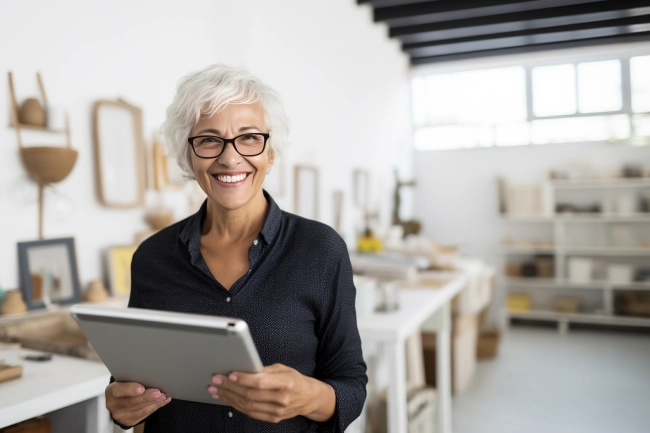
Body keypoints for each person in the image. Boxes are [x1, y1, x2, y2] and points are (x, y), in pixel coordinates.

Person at [104, 65, 367, 432]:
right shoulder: (152, 257)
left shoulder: (321, 250)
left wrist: (309, 395)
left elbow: (351, 386)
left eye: (249, 138)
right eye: (209, 140)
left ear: (270, 152)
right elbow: (132, 383)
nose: (229, 158)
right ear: (188, 155)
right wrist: (122, 407)